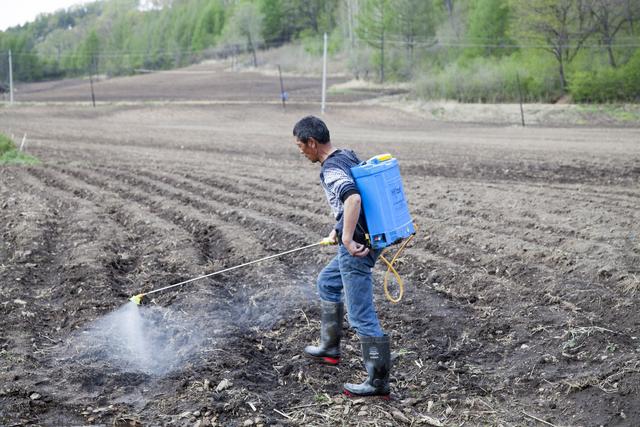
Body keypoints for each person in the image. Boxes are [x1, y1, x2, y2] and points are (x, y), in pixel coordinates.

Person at [292, 115, 391, 398]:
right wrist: (339, 228)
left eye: (301, 146)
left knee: (361, 316)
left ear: (312, 142)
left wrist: (347, 237)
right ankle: (330, 347)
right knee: (327, 282)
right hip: (369, 238)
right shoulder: (346, 155)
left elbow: (353, 199)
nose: (300, 151)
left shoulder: (331, 169)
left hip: (357, 247)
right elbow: (358, 195)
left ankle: (378, 382)